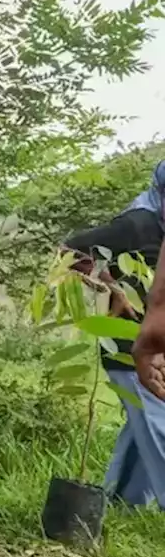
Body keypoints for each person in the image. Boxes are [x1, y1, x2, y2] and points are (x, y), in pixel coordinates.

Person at [65, 163, 165, 509]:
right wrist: (114, 288)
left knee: (144, 429)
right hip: (129, 346)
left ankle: (124, 503)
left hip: (158, 346)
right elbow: (72, 250)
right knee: (159, 423)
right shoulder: (139, 223)